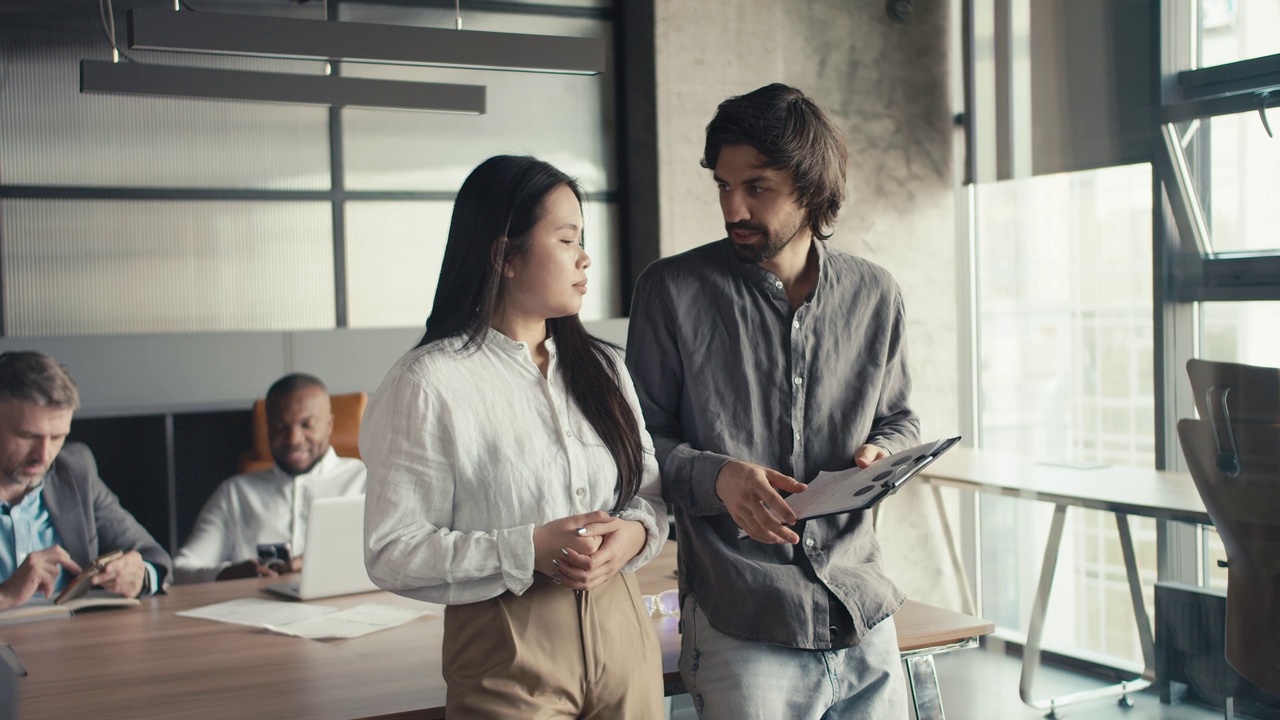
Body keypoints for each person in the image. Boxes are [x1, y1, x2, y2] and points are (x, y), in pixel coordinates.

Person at [625, 83, 921, 719]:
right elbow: (638, 444)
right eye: (723, 186)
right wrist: (720, 476)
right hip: (741, 617)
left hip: (861, 610)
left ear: (811, 189)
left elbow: (898, 419)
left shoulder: (875, 294)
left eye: (756, 187)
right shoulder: (670, 292)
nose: (733, 206)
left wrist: (883, 453)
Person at [362, 155, 669, 719]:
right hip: (508, 654)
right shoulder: (428, 382)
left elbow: (649, 491)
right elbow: (392, 551)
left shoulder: (605, 368)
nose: (585, 257)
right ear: (505, 255)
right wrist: (526, 549)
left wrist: (633, 534)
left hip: (625, 638)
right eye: (566, 239)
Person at [0, 351, 172, 609]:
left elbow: (154, 556)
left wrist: (140, 575)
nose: (44, 456)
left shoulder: (74, 469)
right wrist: (5, 596)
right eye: (27, 436)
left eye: (58, 437)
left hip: (73, 642)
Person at [174, 373, 366, 583]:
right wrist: (229, 574)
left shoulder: (366, 481)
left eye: (306, 425)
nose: (293, 439)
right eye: (280, 426)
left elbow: (395, 560)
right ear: (267, 427)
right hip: (253, 610)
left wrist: (326, 563)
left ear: (329, 425)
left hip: (349, 610)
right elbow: (181, 570)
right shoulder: (236, 493)